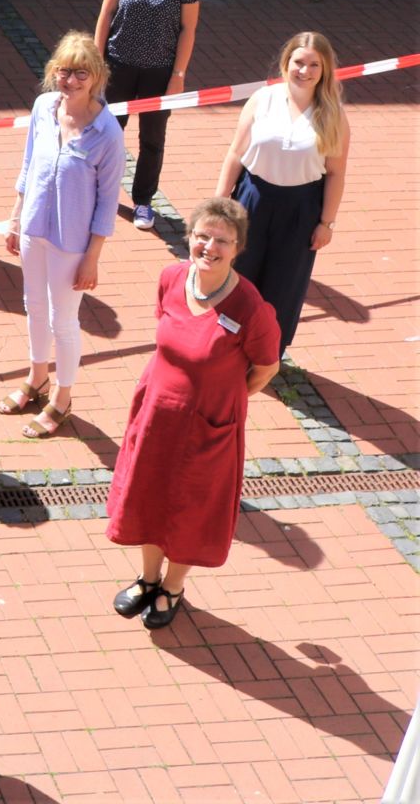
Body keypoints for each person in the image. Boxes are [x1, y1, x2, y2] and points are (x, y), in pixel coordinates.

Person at [106, 198, 280, 629]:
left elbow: (266, 368)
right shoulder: (170, 278)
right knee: (148, 493)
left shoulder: (252, 309)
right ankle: (148, 579)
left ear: (237, 249)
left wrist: (225, 398)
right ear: (189, 237)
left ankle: (173, 587)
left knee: (191, 507)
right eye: (203, 235)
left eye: (222, 240)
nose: (210, 246)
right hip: (158, 414)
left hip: (210, 426)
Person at [0, 33, 125, 439]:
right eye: (63, 71)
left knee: (63, 320)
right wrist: (15, 219)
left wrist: (93, 256)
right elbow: (28, 163)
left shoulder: (107, 133)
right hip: (34, 227)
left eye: (80, 74)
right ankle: (37, 378)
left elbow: (108, 201)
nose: (69, 81)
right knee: (33, 305)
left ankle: (63, 397)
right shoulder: (42, 109)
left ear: (96, 78)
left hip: (73, 242)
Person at [213, 31, 350, 354]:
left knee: (284, 285)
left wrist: (326, 223)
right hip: (252, 198)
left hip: (300, 208)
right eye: (299, 62)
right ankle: (226, 342)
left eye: (314, 65)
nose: (305, 71)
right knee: (238, 275)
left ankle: (266, 353)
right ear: (286, 63)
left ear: (325, 69)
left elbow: (336, 173)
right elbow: (235, 153)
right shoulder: (263, 99)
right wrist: (219, 205)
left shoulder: (333, 115)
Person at [92, 0, 202, 229]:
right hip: (118, 64)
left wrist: (178, 75)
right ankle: (100, 194)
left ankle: (143, 201)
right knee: (107, 133)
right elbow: (106, 14)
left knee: (152, 139)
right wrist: (98, 62)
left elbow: (188, 29)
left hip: (160, 70)